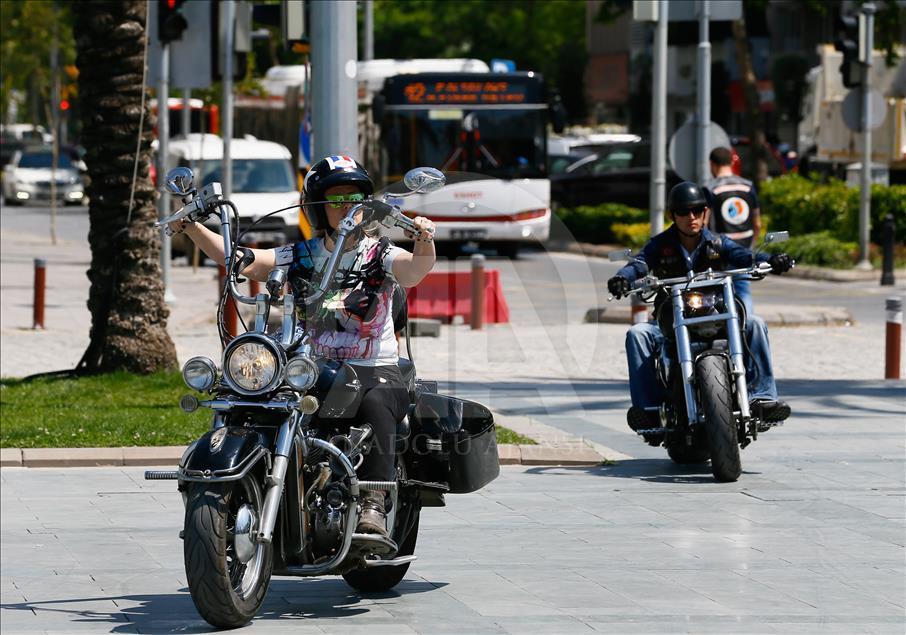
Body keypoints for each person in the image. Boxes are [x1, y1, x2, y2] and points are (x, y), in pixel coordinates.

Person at [171, 155, 436, 539]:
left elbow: (415, 270)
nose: (349, 207)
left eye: (356, 198)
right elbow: (243, 260)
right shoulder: (302, 254)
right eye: (338, 199)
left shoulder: (380, 253)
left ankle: (373, 503)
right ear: (317, 206)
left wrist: (425, 239)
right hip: (317, 367)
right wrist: (193, 227)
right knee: (257, 396)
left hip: (376, 369)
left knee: (378, 402)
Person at [606, 181, 792, 444]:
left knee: (755, 324)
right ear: (673, 215)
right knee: (637, 334)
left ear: (705, 212)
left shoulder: (718, 243)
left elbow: (745, 257)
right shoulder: (660, 245)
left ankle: (762, 397)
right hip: (672, 321)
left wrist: (771, 260)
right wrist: (622, 278)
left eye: (696, 210)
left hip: (716, 316)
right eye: (684, 212)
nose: (691, 217)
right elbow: (638, 263)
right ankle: (648, 410)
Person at [703, 146, 762, 317]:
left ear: (711, 164)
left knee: (715, 297)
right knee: (743, 292)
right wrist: (751, 247)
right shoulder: (748, 186)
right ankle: (748, 327)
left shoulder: (710, 188)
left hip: (719, 252)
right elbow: (757, 223)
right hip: (744, 248)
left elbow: (704, 224)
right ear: (731, 162)